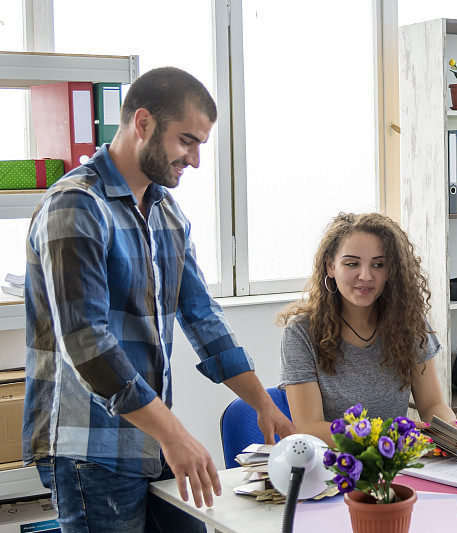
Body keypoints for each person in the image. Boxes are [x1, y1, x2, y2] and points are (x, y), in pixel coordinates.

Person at [22, 67, 295, 532]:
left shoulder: (166, 212)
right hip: (91, 450)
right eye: (186, 140)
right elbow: (87, 342)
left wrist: (263, 404)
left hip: (151, 440)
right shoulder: (75, 205)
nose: (194, 159)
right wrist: (175, 434)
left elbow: (203, 317)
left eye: (200, 145)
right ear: (143, 123)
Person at [277, 212, 457, 444]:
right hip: (336, 467)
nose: (365, 276)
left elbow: (432, 404)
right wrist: (383, 435)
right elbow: (309, 428)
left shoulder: (409, 322)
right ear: (330, 266)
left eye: (378, 264)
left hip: (396, 463)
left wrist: (448, 428)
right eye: (352, 263)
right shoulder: (301, 333)